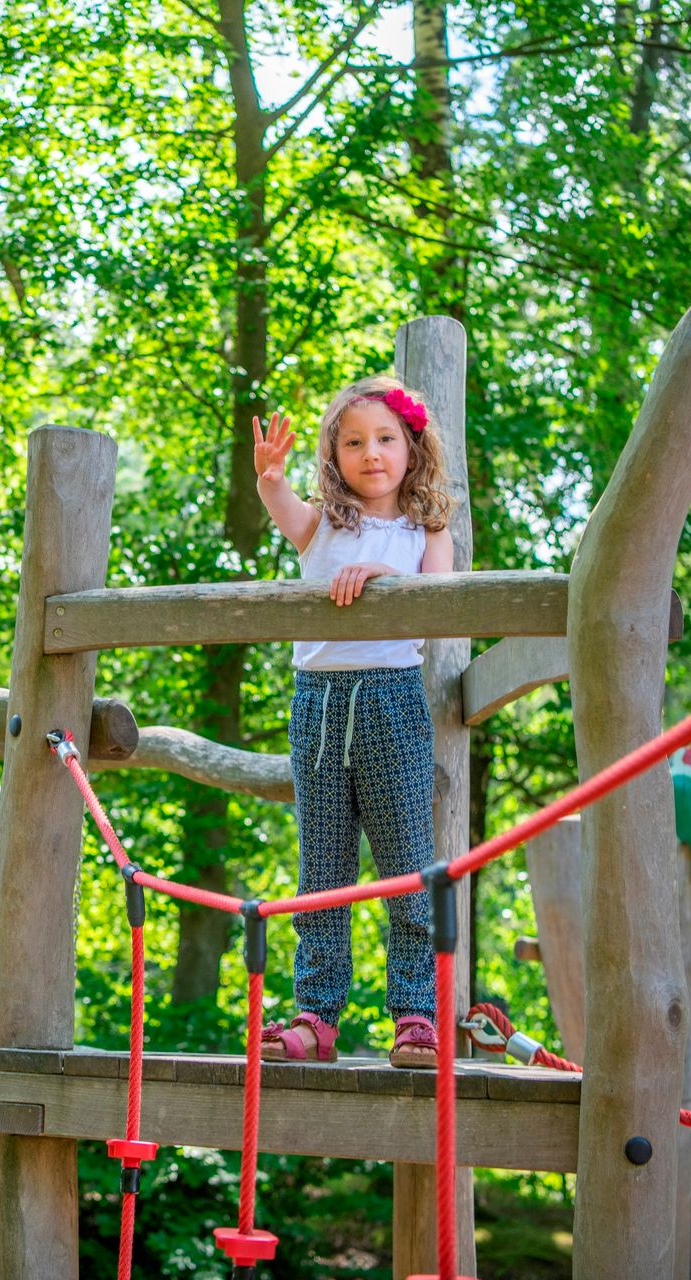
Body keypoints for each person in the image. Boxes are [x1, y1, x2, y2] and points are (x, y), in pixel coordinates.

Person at [252, 374, 454, 1068]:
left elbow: (436, 599)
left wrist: (379, 576)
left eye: (386, 439)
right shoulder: (321, 525)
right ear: (334, 457)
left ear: (412, 447)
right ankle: (317, 1015)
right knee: (325, 870)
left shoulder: (424, 531)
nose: (372, 453)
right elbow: (282, 509)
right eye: (354, 442)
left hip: (392, 700)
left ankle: (416, 1014)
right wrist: (270, 478)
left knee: (406, 864)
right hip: (319, 701)